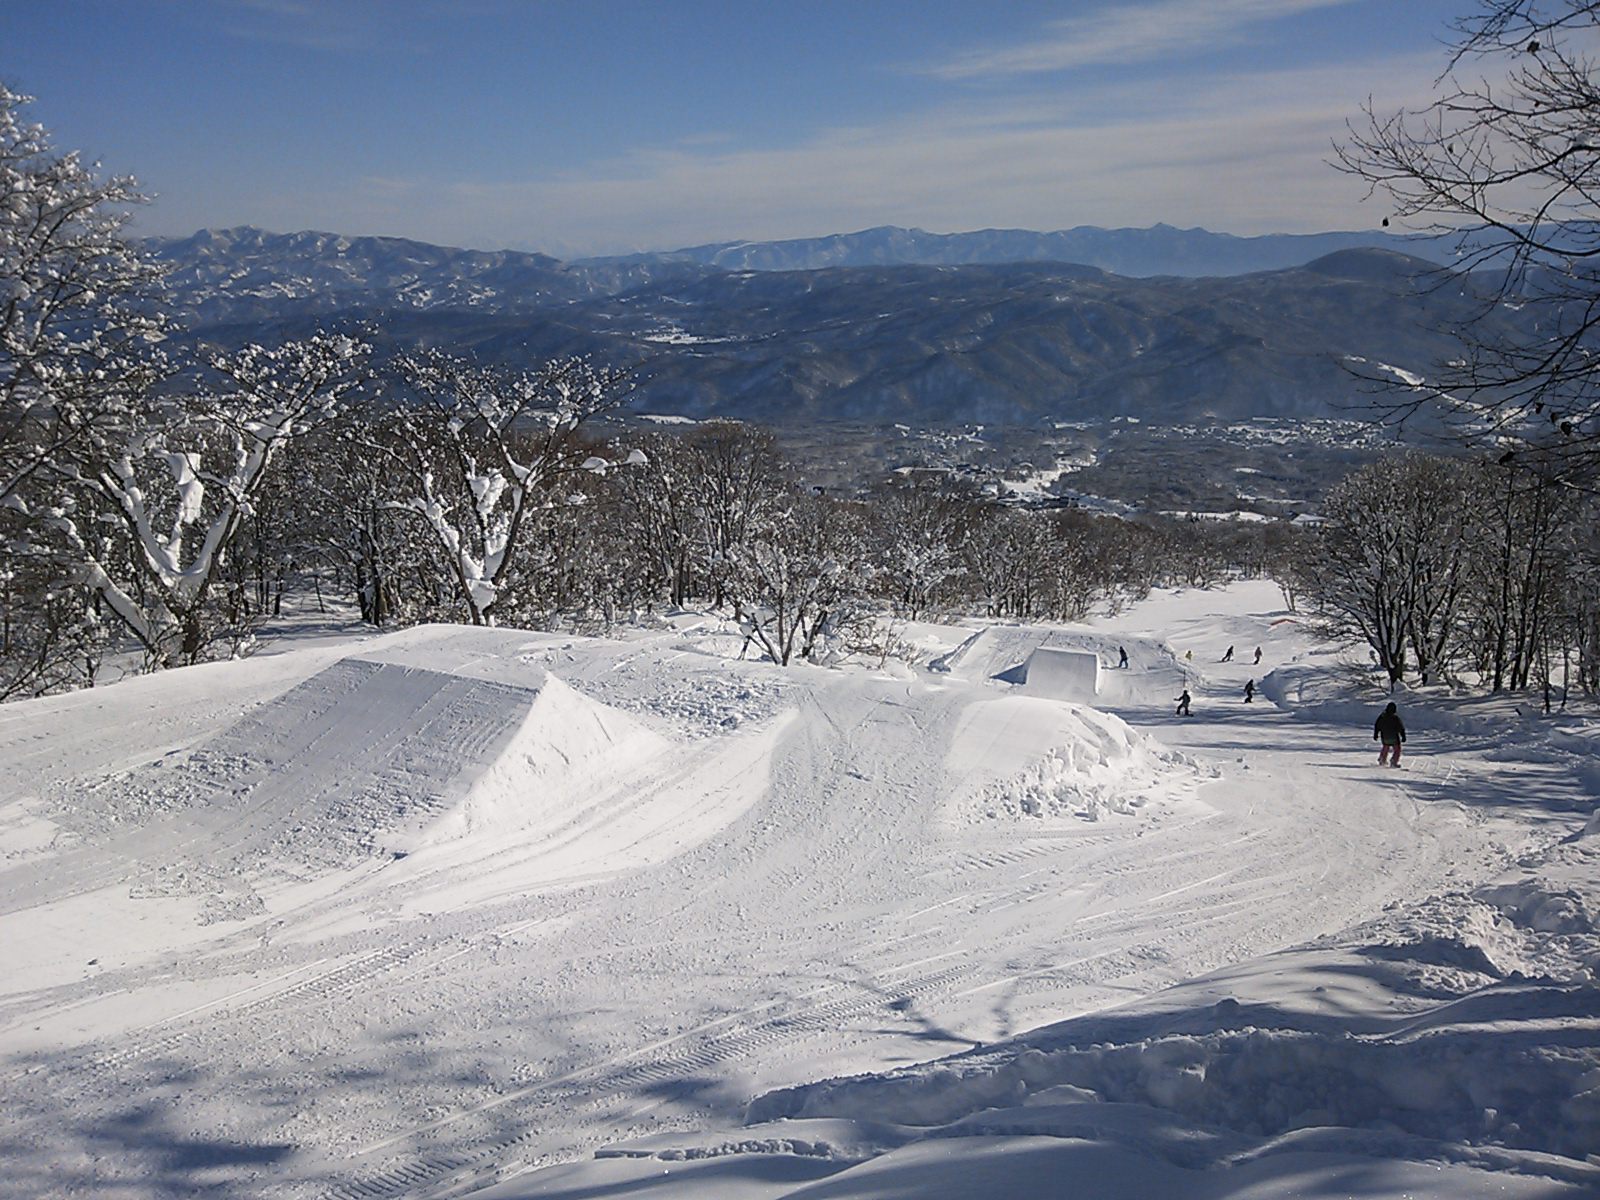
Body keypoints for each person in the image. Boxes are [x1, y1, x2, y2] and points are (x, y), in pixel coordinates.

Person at [1374, 701, 1406, 766]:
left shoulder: (1382, 716)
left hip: (1384, 737)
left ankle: (1382, 759)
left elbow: (1377, 725)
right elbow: (1401, 727)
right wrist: (1403, 736)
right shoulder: (1395, 718)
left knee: (1386, 747)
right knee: (1397, 749)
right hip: (1394, 737)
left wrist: (1376, 734)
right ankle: (1394, 760)